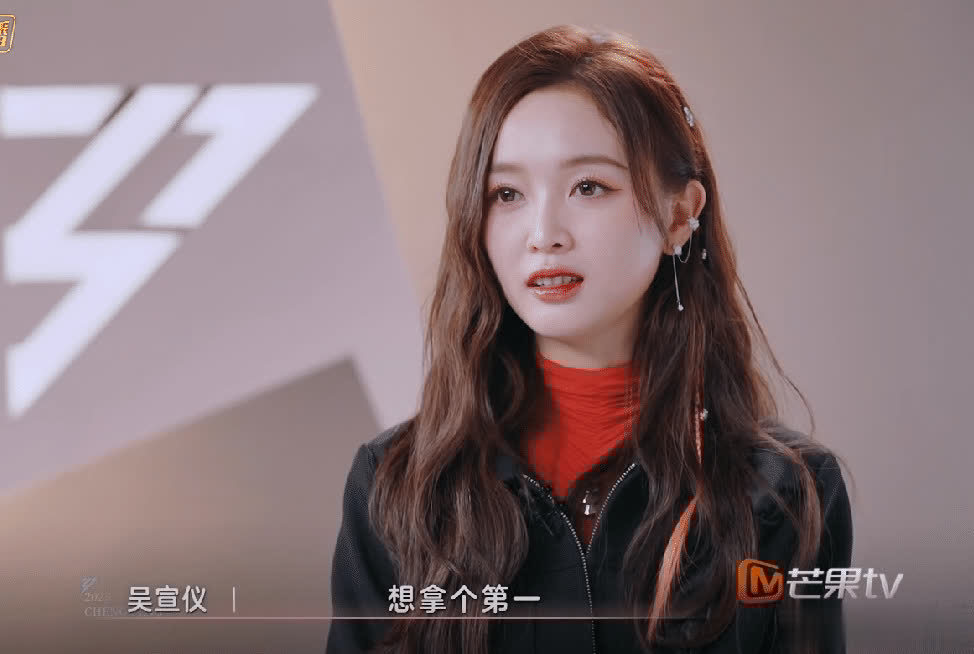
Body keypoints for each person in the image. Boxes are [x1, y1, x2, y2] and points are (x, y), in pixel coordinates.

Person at [326, 24, 853, 654]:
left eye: (588, 187)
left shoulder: (786, 493)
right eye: (507, 193)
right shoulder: (397, 487)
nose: (544, 233)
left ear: (680, 214)